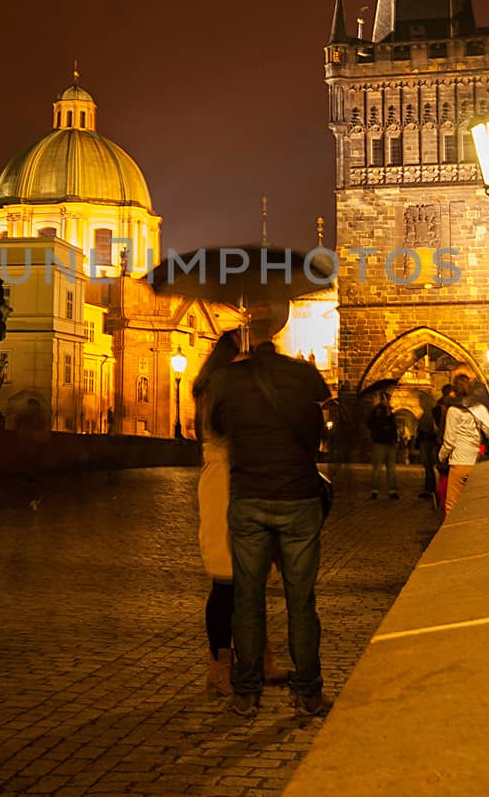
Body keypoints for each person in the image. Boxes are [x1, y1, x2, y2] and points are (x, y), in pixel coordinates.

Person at [210, 307, 333, 718]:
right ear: (276, 335)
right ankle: (308, 691)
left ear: (247, 339)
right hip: (298, 498)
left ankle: (246, 693)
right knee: (301, 600)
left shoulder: (230, 378)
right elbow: (320, 422)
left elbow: (216, 425)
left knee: (248, 597)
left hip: (249, 499)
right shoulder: (301, 374)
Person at [436, 372, 489, 515]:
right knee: (474, 502)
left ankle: (451, 534)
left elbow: (449, 441)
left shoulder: (453, 410)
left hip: (459, 462)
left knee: (452, 504)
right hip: (475, 460)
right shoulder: (478, 408)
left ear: (454, 390)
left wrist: (441, 456)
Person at [367, 398, 400, 500]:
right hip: (379, 443)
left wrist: (390, 417)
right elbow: (370, 425)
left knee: (391, 469)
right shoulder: (375, 414)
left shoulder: (390, 413)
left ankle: (393, 491)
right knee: (377, 469)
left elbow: (394, 428)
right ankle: (374, 491)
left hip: (390, 443)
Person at [414, 399, 439, 503]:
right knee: (428, 467)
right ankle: (430, 488)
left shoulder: (429, 414)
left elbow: (427, 429)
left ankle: (430, 489)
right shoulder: (426, 414)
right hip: (427, 441)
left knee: (428, 466)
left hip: (427, 442)